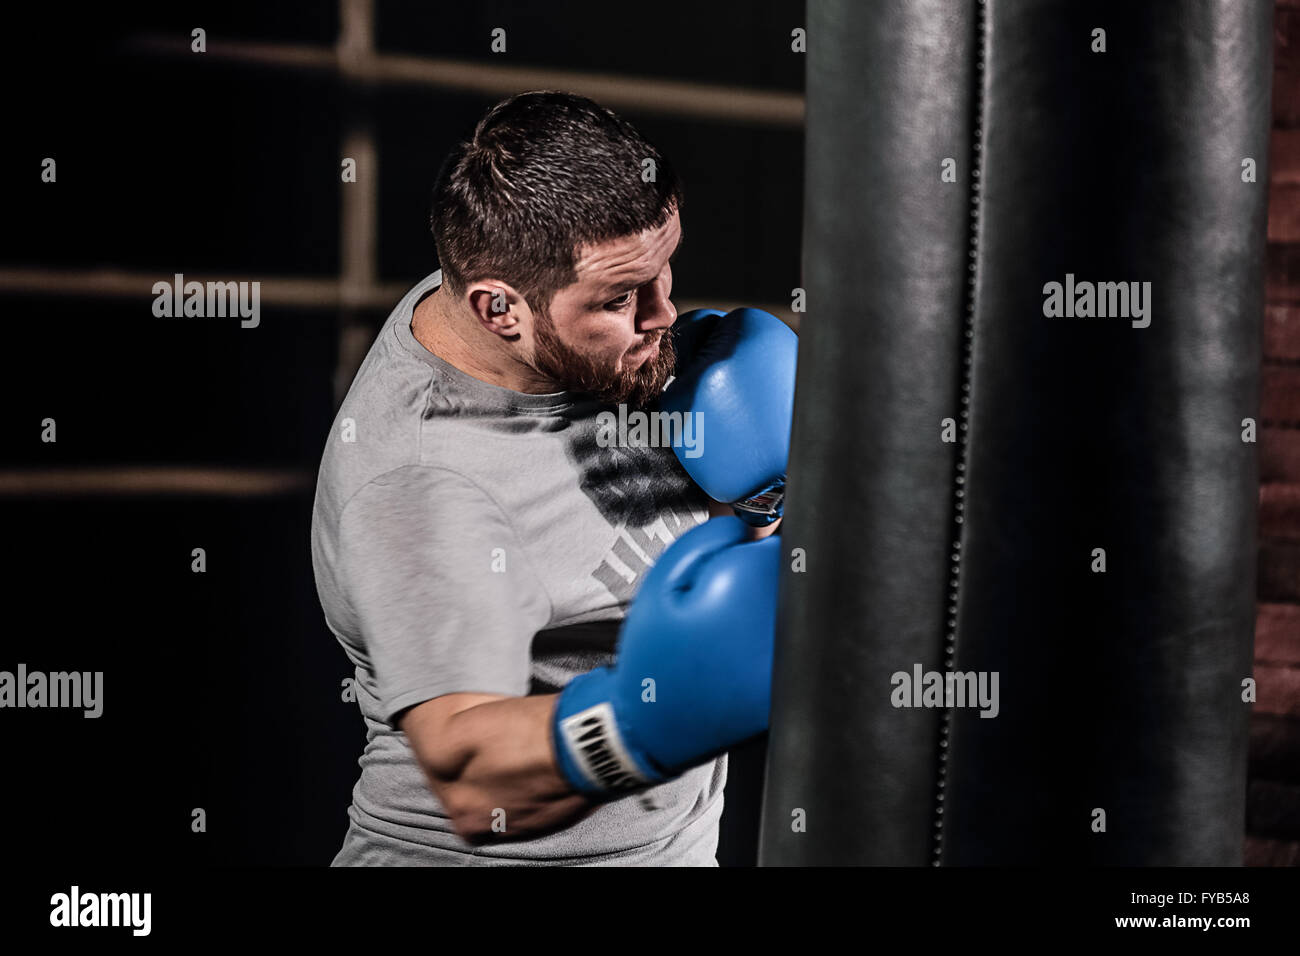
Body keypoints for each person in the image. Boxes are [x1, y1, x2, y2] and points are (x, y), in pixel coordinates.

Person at [311, 90, 792, 866]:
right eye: (620, 297)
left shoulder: (580, 341)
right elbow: (470, 780)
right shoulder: (420, 484)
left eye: (665, 269)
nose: (664, 313)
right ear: (498, 309)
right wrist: (647, 725)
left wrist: (767, 496)